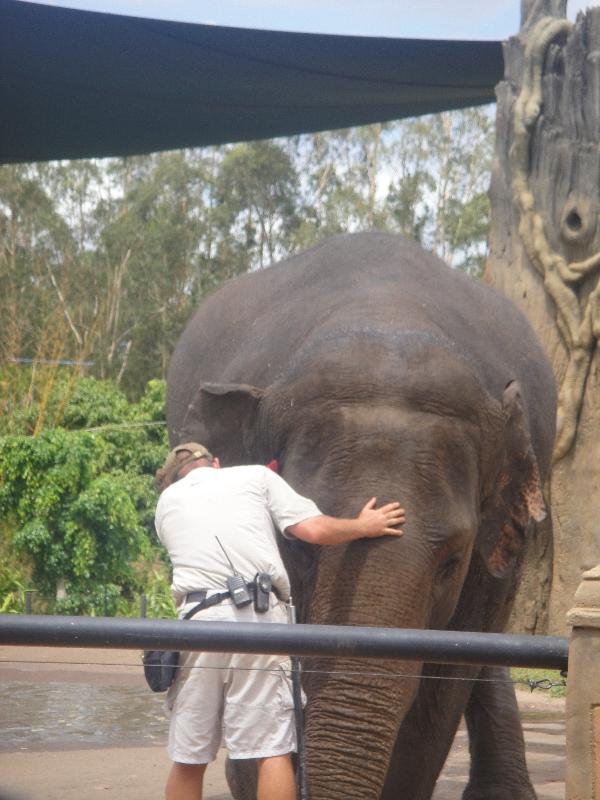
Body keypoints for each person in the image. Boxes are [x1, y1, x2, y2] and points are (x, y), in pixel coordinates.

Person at [154, 442, 406, 800]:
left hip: (197, 624)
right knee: (270, 751)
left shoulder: (166, 502)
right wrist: (364, 526)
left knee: (188, 757)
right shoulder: (255, 475)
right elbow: (315, 531)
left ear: (172, 479)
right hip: (258, 623)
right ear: (217, 462)